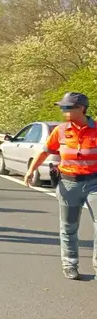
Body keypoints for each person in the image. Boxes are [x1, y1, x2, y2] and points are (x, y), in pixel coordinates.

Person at [24, 92, 97, 280]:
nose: (63, 111)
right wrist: (31, 170)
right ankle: (70, 264)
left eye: (67, 108)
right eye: (62, 108)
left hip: (93, 184)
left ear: (81, 109)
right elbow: (45, 152)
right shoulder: (61, 130)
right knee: (69, 227)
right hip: (68, 184)